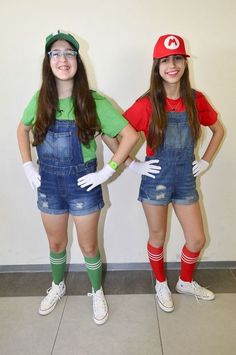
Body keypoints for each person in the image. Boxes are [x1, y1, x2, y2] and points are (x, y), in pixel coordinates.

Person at [17, 30, 138, 324]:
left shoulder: (93, 100)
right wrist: (27, 165)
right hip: (49, 186)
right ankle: (57, 285)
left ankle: (96, 291)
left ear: (77, 61)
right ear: (48, 62)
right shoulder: (40, 99)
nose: (62, 59)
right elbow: (22, 129)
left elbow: (128, 135)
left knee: (88, 247)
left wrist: (108, 170)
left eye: (69, 53)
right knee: (56, 245)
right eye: (55, 53)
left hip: (84, 186)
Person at [103, 34, 224, 313]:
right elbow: (112, 133)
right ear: (157, 66)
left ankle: (184, 281)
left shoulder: (196, 100)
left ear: (185, 63)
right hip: (155, 180)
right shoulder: (146, 104)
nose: (173, 65)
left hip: (185, 180)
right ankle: (160, 284)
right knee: (157, 236)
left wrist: (205, 161)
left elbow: (218, 130)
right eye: (166, 60)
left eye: (178, 58)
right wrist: (132, 164)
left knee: (197, 239)